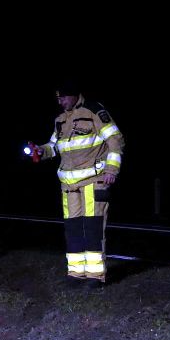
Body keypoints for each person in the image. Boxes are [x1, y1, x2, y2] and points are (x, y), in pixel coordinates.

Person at [32, 80, 125, 284]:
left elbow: (115, 139)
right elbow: (54, 145)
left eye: (63, 97)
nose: (61, 102)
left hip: (93, 180)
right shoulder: (61, 119)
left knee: (93, 227)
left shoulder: (94, 111)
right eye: (58, 98)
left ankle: (95, 275)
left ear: (74, 95)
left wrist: (111, 170)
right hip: (68, 185)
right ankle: (75, 273)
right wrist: (41, 150)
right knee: (73, 228)